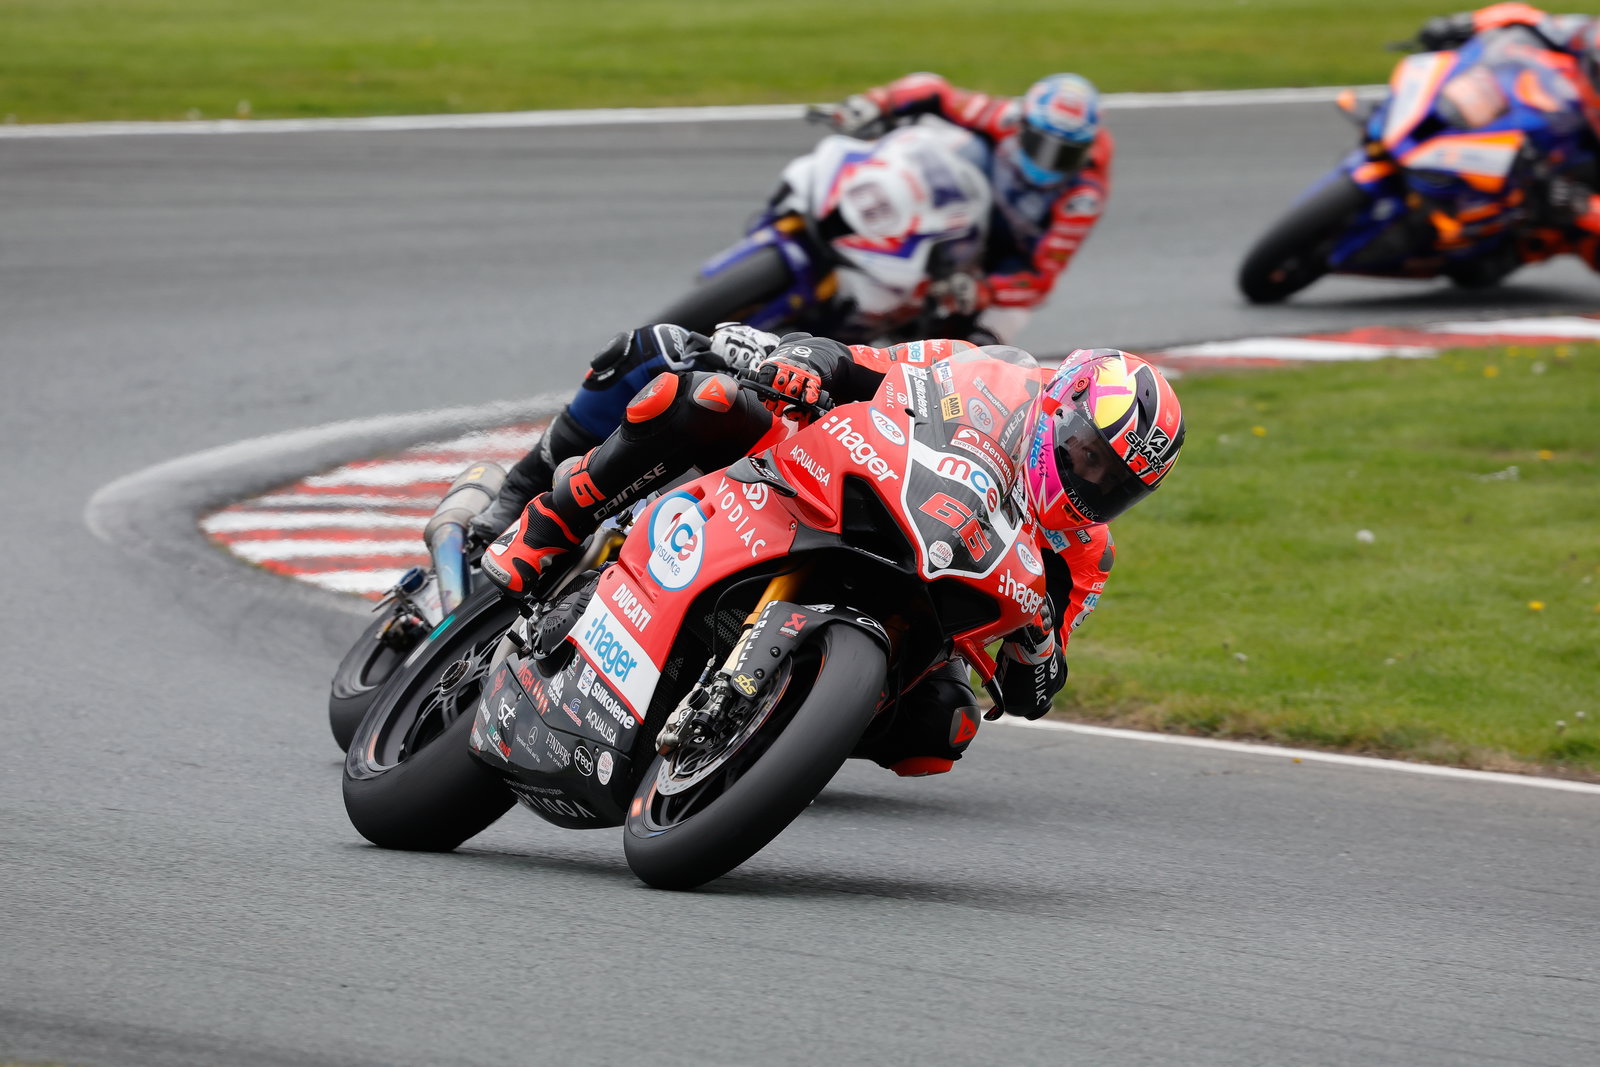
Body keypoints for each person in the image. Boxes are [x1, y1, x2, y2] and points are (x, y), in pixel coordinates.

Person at [478, 322, 1184, 777]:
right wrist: (802, 363)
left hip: (920, 602)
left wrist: (1038, 648)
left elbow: (1036, 689)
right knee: (705, 398)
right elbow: (858, 364)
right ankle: (550, 524)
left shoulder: (1086, 555)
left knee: (944, 728)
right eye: (1090, 454)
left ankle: (782, 736)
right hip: (825, 485)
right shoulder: (987, 378)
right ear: (1061, 406)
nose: (1093, 482)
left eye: (1116, 483)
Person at [819, 72, 1113, 344]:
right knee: (943, 141)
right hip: (959, 207)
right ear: (1023, 125)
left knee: (997, 330)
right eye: (1041, 144)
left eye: (1066, 153)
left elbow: (1041, 278)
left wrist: (984, 289)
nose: (1048, 162)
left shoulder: (1082, 198)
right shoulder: (1005, 118)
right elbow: (935, 90)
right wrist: (877, 102)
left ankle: (966, 357)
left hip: (1002, 256)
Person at [1413, 6, 1600, 271]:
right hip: (1526, 114)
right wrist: (1464, 23)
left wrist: (1579, 205)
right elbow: (1527, 17)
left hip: (1559, 191)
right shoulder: (1585, 36)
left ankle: (1501, 247)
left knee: (1544, 241)